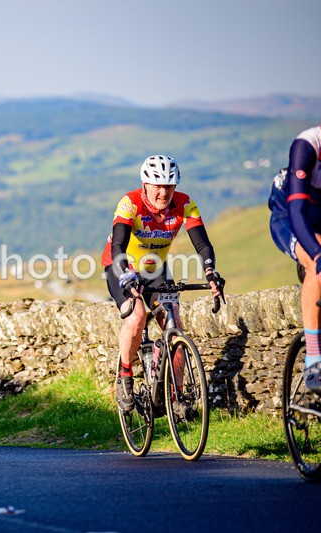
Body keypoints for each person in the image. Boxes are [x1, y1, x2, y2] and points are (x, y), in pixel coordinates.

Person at [101, 155, 222, 415]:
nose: (163, 192)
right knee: (137, 316)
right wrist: (126, 275)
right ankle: (125, 377)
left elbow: (201, 244)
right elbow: (118, 245)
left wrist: (211, 273)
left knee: (174, 326)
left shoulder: (185, 203)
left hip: (155, 268)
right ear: (145, 184)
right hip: (120, 265)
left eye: (169, 185)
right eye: (157, 185)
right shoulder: (129, 203)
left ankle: (175, 395)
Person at [269, 95, 321, 394]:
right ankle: (312, 356)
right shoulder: (306, 146)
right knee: (319, 257)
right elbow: (297, 213)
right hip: (291, 215)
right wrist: (320, 258)